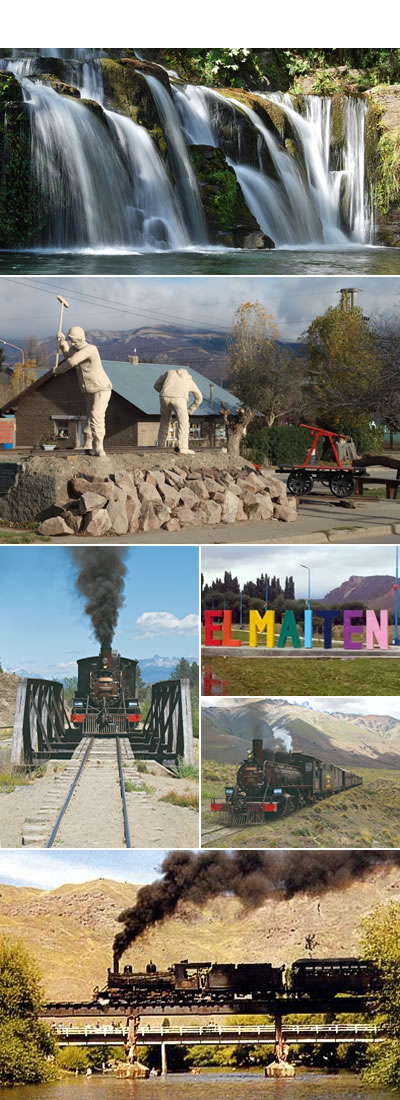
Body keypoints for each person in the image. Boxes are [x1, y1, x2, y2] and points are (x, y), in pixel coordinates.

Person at [54, 327, 112, 457]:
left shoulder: (90, 349)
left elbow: (72, 361)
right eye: (71, 341)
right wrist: (63, 343)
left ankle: (99, 446)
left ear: (81, 339)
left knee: (96, 415)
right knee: (90, 416)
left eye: (74, 341)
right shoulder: (76, 349)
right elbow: (69, 354)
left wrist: (57, 370)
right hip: (88, 389)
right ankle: (88, 443)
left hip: (101, 388)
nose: (73, 344)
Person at [154, 368, 203, 455]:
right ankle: (183, 447)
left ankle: (161, 445)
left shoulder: (168, 373)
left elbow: (156, 385)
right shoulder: (188, 379)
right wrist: (190, 410)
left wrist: (165, 391)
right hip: (179, 399)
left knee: (164, 420)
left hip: (164, 397)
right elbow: (199, 397)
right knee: (183, 423)